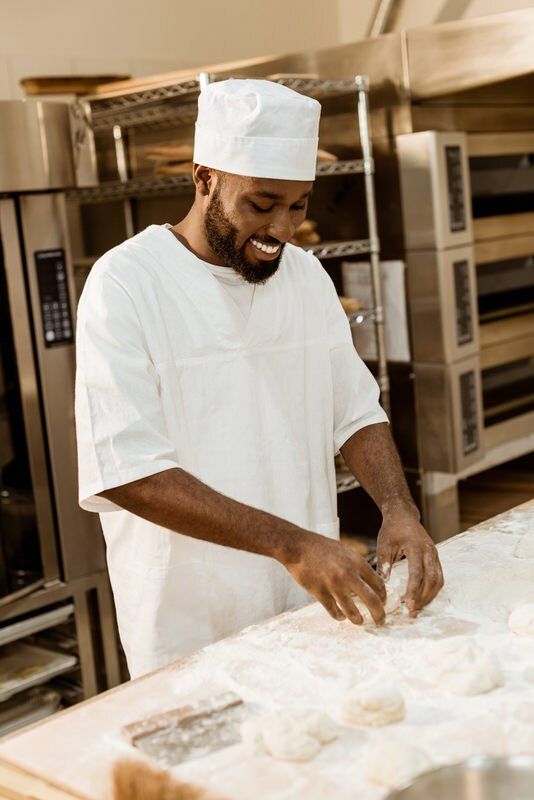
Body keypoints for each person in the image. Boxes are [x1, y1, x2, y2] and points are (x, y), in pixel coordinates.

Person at [75, 79, 443, 679]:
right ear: (204, 180)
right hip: (190, 624)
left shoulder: (304, 278)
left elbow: (353, 410)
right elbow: (128, 471)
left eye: (298, 206)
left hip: (309, 606)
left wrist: (398, 509)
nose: (284, 229)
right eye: (262, 204)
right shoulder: (125, 284)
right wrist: (292, 544)